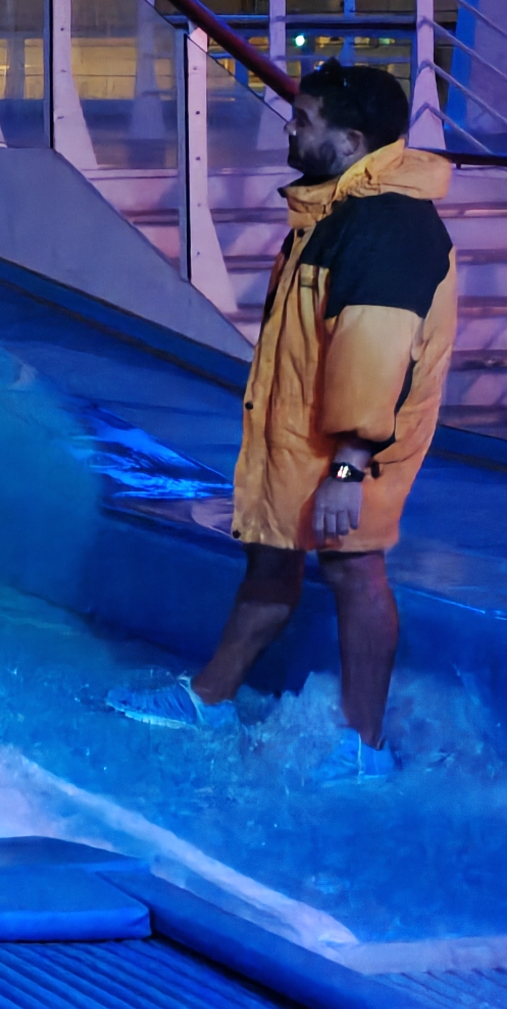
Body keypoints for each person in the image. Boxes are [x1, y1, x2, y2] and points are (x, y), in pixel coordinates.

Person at [113, 60, 455, 785]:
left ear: (352, 137)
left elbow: (376, 358)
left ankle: (363, 748)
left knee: (354, 569)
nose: (289, 129)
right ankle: (209, 698)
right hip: (307, 434)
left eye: (305, 120)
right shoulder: (335, 210)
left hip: (352, 449)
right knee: (272, 557)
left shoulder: (387, 224)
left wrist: (346, 468)